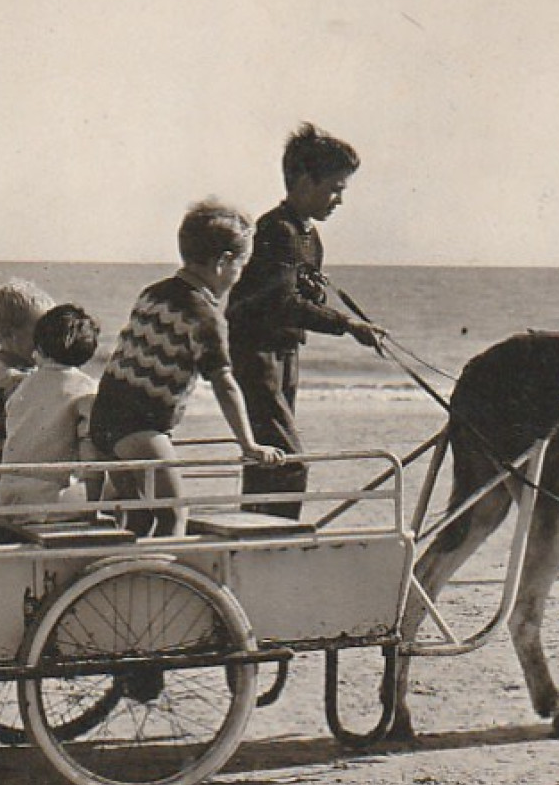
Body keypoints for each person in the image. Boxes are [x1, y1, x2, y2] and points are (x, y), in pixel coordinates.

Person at [88, 199, 285, 537]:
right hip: (141, 429)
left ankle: (126, 576)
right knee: (174, 514)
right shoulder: (205, 316)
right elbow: (225, 385)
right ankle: (161, 579)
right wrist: (249, 445)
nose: (239, 276)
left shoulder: (153, 293)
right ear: (224, 262)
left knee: (138, 515)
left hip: (103, 418)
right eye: (241, 266)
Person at [226, 123, 387, 518]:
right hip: (258, 353)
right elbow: (283, 303)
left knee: (271, 456)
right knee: (288, 460)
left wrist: (323, 303)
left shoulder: (307, 235)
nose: (339, 200)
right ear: (301, 180)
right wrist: (349, 326)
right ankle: (277, 536)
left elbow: (296, 298)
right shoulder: (277, 230)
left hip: (284, 353)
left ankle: (260, 532)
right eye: (334, 188)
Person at [0, 304, 104, 510]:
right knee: (116, 487)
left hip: (9, 496)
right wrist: (94, 506)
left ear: (39, 346)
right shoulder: (85, 388)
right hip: (50, 500)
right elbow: (90, 455)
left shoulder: (23, 384)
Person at [0, 279, 57, 501]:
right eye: (40, 334)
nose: (47, 340)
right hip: (10, 470)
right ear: (9, 336)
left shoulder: (6, 367)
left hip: (3, 465)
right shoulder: (12, 378)